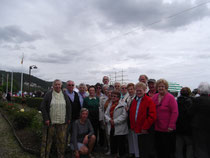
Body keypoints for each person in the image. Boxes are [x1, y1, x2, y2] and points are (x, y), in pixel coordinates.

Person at [40, 79, 72, 158]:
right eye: (56, 84)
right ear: (53, 86)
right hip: (50, 123)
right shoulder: (48, 94)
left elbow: (69, 107)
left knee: (62, 141)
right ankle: (45, 156)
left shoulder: (64, 95)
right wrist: (46, 119)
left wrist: (68, 118)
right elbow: (43, 107)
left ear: (61, 85)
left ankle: (61, 156)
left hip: (62, 123)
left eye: (59, 84)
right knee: (47, 141)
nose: (57, 86)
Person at [152, 79, 178, 158]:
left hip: (167, 129)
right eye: (159, 86)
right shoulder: (155, 96)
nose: (160, 88)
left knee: (166, 149)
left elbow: (175, 112)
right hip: (157, 127)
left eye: (162, 86)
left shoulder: (171, 98)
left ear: (166, 87)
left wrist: (171, 125)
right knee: (158, 148)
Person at [129, 82, 156, 158]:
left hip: (144, 130)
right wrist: (132, 126)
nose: (138, 92)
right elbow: (131, 114)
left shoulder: (149, 101)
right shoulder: (134, 100)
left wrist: (145, 127)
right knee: (138, 148)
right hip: (135, 128)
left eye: (140, 90)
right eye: (137, 90)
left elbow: (152, 116)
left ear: (145, 90)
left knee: (144, 149)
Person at [105, 90, 128, 158]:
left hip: (120, 126)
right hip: (112, 126)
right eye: (112, 96)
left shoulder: (123, 104)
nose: (113, 97)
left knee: (121, 143)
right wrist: (109, 120)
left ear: (118, 97)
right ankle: (114, 154)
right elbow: (106, 114)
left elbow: (124, 116)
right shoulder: (110, 104)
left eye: (115, 96)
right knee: (113, 142)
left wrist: (115, 121)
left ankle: (121, 155)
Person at [190, 82, 210, 158]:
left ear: (200, 90)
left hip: (198, 126)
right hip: (208, 126)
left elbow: (190, 112)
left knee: (199, 146)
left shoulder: (197, 100)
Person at [176, 87, 193, 158]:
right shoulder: (191, 102)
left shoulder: (176, 101)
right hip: (188, 129)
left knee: (178, 147)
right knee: (190, 146)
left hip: (178, 127)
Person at [65, 80, 81, 146]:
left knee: (73, 133)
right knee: (66, 133)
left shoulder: (76, 94)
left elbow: (78, 105)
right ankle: (64, 147)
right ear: (66, 86)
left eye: (72, 85)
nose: (71, 86)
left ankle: (71, 146)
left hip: (75, 118)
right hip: (66, 118)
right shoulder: (64, 94)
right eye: (69, 85)